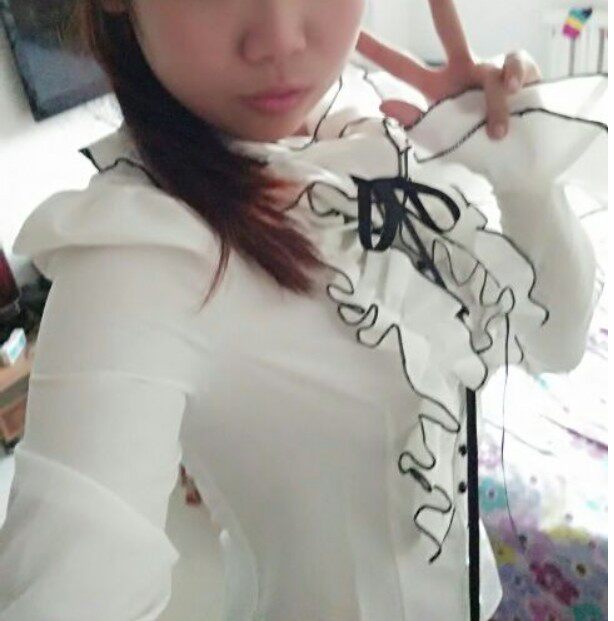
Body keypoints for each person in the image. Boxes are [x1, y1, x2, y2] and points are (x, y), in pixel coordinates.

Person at [0, 1, 606, 620]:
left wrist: (519, 167)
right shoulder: (137, 256)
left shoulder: (360, 133)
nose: (282, 40)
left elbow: (554, 342)